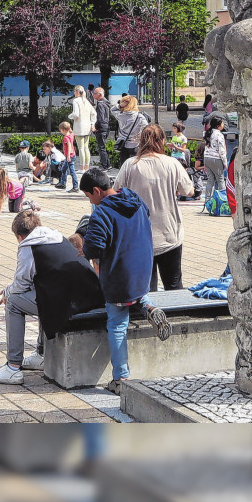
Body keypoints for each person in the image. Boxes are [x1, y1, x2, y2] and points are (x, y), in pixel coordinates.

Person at [0, 210, 105, 385]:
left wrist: (7, 292)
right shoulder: (55, 236)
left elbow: (21, 284)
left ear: (19, 236)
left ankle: (13, 367)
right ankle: (41, 353)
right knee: (42, 292)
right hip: (90, 295)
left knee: (14, 303)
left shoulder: (28, 246)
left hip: (73, 303)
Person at [79, 168, 172, 394]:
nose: (90, 201)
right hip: (143, 272)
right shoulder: (134, 198)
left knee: (117, 323)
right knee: (137, 296)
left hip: (119, 279)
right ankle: (149, 308)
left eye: (89, 197)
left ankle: (121, 379)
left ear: (97, 191)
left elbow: (91, 248)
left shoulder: (101, 214)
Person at [114, 125, 194, 292]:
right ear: (163, 141)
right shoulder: (172, 163)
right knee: (173, 286)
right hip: (169, 233)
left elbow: (116, 193)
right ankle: (178, 316)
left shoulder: (130, 165)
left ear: (141, 141)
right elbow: (189, 190)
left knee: (146, 290)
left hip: (138, 236)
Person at [115, 95, 148, 168]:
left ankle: (124, 178)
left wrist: (120, 105)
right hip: (135, 143)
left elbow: (112, 109)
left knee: (124, 164)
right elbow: (146, 127)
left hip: (122, 142)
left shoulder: (120, 115)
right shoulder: (139, 116)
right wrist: (140, 136)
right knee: (135, 164)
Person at [69, 85, 96, 171]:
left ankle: (81, 168)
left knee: (81, 148)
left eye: (74, 91)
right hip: (87, 126)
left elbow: (76, 114)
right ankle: (87, 166)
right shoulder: (86, 101)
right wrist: (92, 123)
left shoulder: (76, 101)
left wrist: (70, 116)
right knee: (86, 147)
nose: (74, 93)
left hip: (79, 127)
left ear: (77, 91)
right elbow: (94, 113)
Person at [202, 115, 228, 206]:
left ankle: (207, 201)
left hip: (207, 158)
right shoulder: (219, 135)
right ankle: (223, 201)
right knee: (220, 179)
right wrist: (225, 163)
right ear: (218, 125)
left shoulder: (207, 133)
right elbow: (222, 151)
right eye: (222, 123)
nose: (223, 125)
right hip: (216, 159)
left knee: (210, 180)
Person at [92, 87, 112, 170]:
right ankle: (108, 164)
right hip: (106, 127)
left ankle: (104, 165)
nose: (93, 94)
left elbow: (100, 118)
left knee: (101, 147)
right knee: (102, 146)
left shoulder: (100, 104)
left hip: (101, 128)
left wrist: (95, 127)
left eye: (95, 93)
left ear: (99, 94)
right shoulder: (106, 103)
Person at [56, 122, 79, 192]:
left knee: (72, 172)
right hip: (72, 155)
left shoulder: (66, 138)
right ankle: (63, 183)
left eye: (61, 130)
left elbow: (69, 146)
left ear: (63, 130)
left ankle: (75, 187)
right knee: (63, 169)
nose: (60, 132)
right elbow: (71, 131)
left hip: (70, 156)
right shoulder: (71, 135)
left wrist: (68, 156)